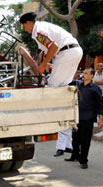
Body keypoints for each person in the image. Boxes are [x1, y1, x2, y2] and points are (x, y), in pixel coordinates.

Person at [19, 12, 83, 157]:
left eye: (24, 26)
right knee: (62, 97)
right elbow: (47, 50)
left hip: (66, 53)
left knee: (51, 88)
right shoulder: (43, 27)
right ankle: (66, 144)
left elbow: (53, 47)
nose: (25, 29)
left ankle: (40, 118)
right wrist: (44, 62)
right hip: (74, 51)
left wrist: (42, 65)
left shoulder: (38, 31)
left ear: (29, 22)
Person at [65, 67, 103, 169]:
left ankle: (83, 160)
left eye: (86, 73)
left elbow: (100, 105)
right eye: (83, 73)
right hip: (77, 117)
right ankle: (74, 156)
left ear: (91, 76)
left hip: (88, 118)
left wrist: (100, 119)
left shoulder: (95, 89)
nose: (83, 75)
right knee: (75, 139)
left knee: (85, 141)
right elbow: (66, 82)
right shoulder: (77, 84)